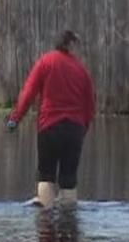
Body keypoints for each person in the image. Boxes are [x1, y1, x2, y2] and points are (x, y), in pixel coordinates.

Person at [7, 31, 96, 209]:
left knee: (46, 175)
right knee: (69, 178)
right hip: (74, 129)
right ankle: (68, 221)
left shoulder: (45, 62)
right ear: (71, 46)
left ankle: (45, 220)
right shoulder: (81, 70)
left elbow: (29, 92)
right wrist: (82, 128)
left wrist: (15, 119)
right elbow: (90, 104)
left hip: (49, 127)